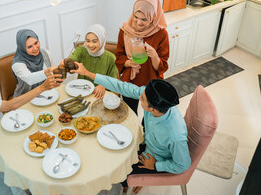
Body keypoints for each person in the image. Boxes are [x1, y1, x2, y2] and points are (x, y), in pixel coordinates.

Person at [71, 62, 191, 194]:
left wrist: (156, 165)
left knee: (116, 169)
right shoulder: (156, 102)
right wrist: (87, 73)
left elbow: (183, 165)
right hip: (146, 141)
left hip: (154, 157)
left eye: (143, 99)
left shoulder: (175, 135)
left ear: (153, 109)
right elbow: (121, 86)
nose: (139, 97)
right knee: (111, 152)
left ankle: (127, 184)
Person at [115, 0, 170, 114]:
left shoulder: (161, 34)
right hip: (130, 81)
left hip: (150, 82)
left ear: (153, 16)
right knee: (130, 112)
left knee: (149, 115)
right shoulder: (125, 30)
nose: (138, 22)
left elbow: (163, 66)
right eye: (136, 16)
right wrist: (129, 63)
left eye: (144, 19)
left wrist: (154, 55)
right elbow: (119, 56)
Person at [63, 24, 118, 98]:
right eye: (87, 41)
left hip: (99, 94)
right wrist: (66, 62)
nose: (90, 45)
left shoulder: (111, 58)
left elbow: (113, 81)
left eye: (94, 41)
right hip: (81, 91)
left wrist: (103, 86)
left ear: (102, 40)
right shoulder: (81, 50)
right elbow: (72, 59)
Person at [12, 29, 56, 97]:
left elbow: (53, 75)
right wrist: (47, 72)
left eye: (36, 43)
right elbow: (30, 79)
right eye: (30, 47)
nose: (35, 48)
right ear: (22, 48)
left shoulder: (45, 53)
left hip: (47, 93)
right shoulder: (17, 64)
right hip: (25, 98)